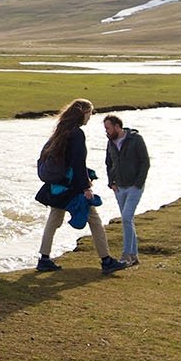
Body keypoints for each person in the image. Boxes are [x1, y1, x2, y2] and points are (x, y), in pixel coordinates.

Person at [34, 98, 112, 273]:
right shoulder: (77, 134)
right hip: (72, 187)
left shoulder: (61, 130)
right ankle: (106, 261)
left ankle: (44, 259)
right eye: (90, 113)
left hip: (58, 186)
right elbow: (78, 163)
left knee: (54, 220)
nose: (90, 117)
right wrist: (86, 188)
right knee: (94, 220)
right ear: (83, 113)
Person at [102, 114, 150, 268]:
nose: (107, 132)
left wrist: (138, 183)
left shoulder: (136, 139)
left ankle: (126, 255)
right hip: (119, 188)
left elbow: (145, 162)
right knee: (127, 220)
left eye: (108, 128)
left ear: (117, 126)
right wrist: (111, 183)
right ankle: (134, 256)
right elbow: (108, 164)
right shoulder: (110, 142)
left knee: (126, 218)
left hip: (134, 187)